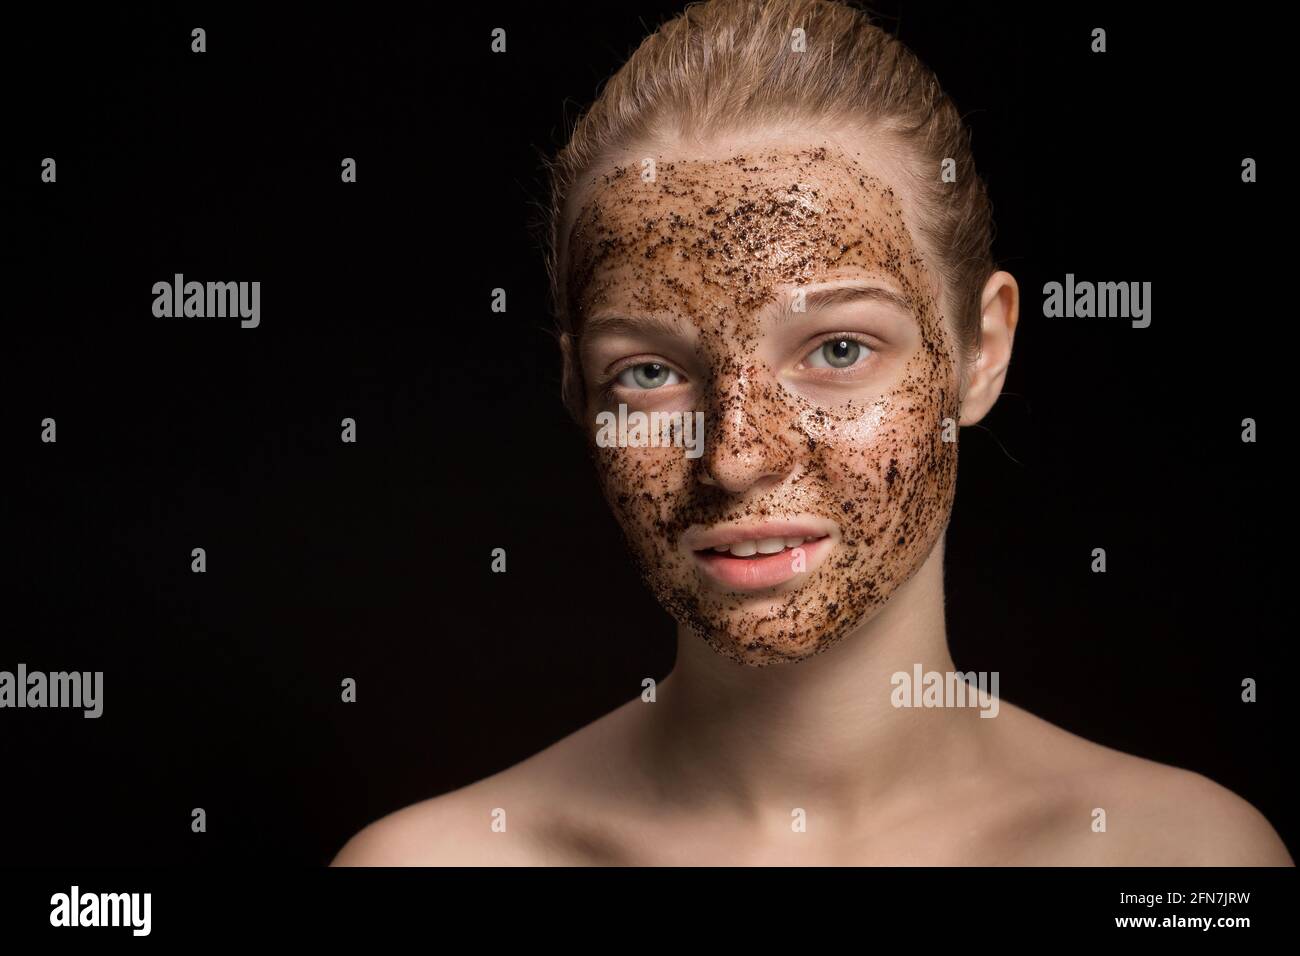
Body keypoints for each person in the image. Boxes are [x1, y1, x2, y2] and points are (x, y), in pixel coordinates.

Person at [333, 0, 1291, 865]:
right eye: (652, 372)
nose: (739, 455)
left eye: (837, 348)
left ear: (980, 350)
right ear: (580, 392)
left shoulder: (1183, 864)